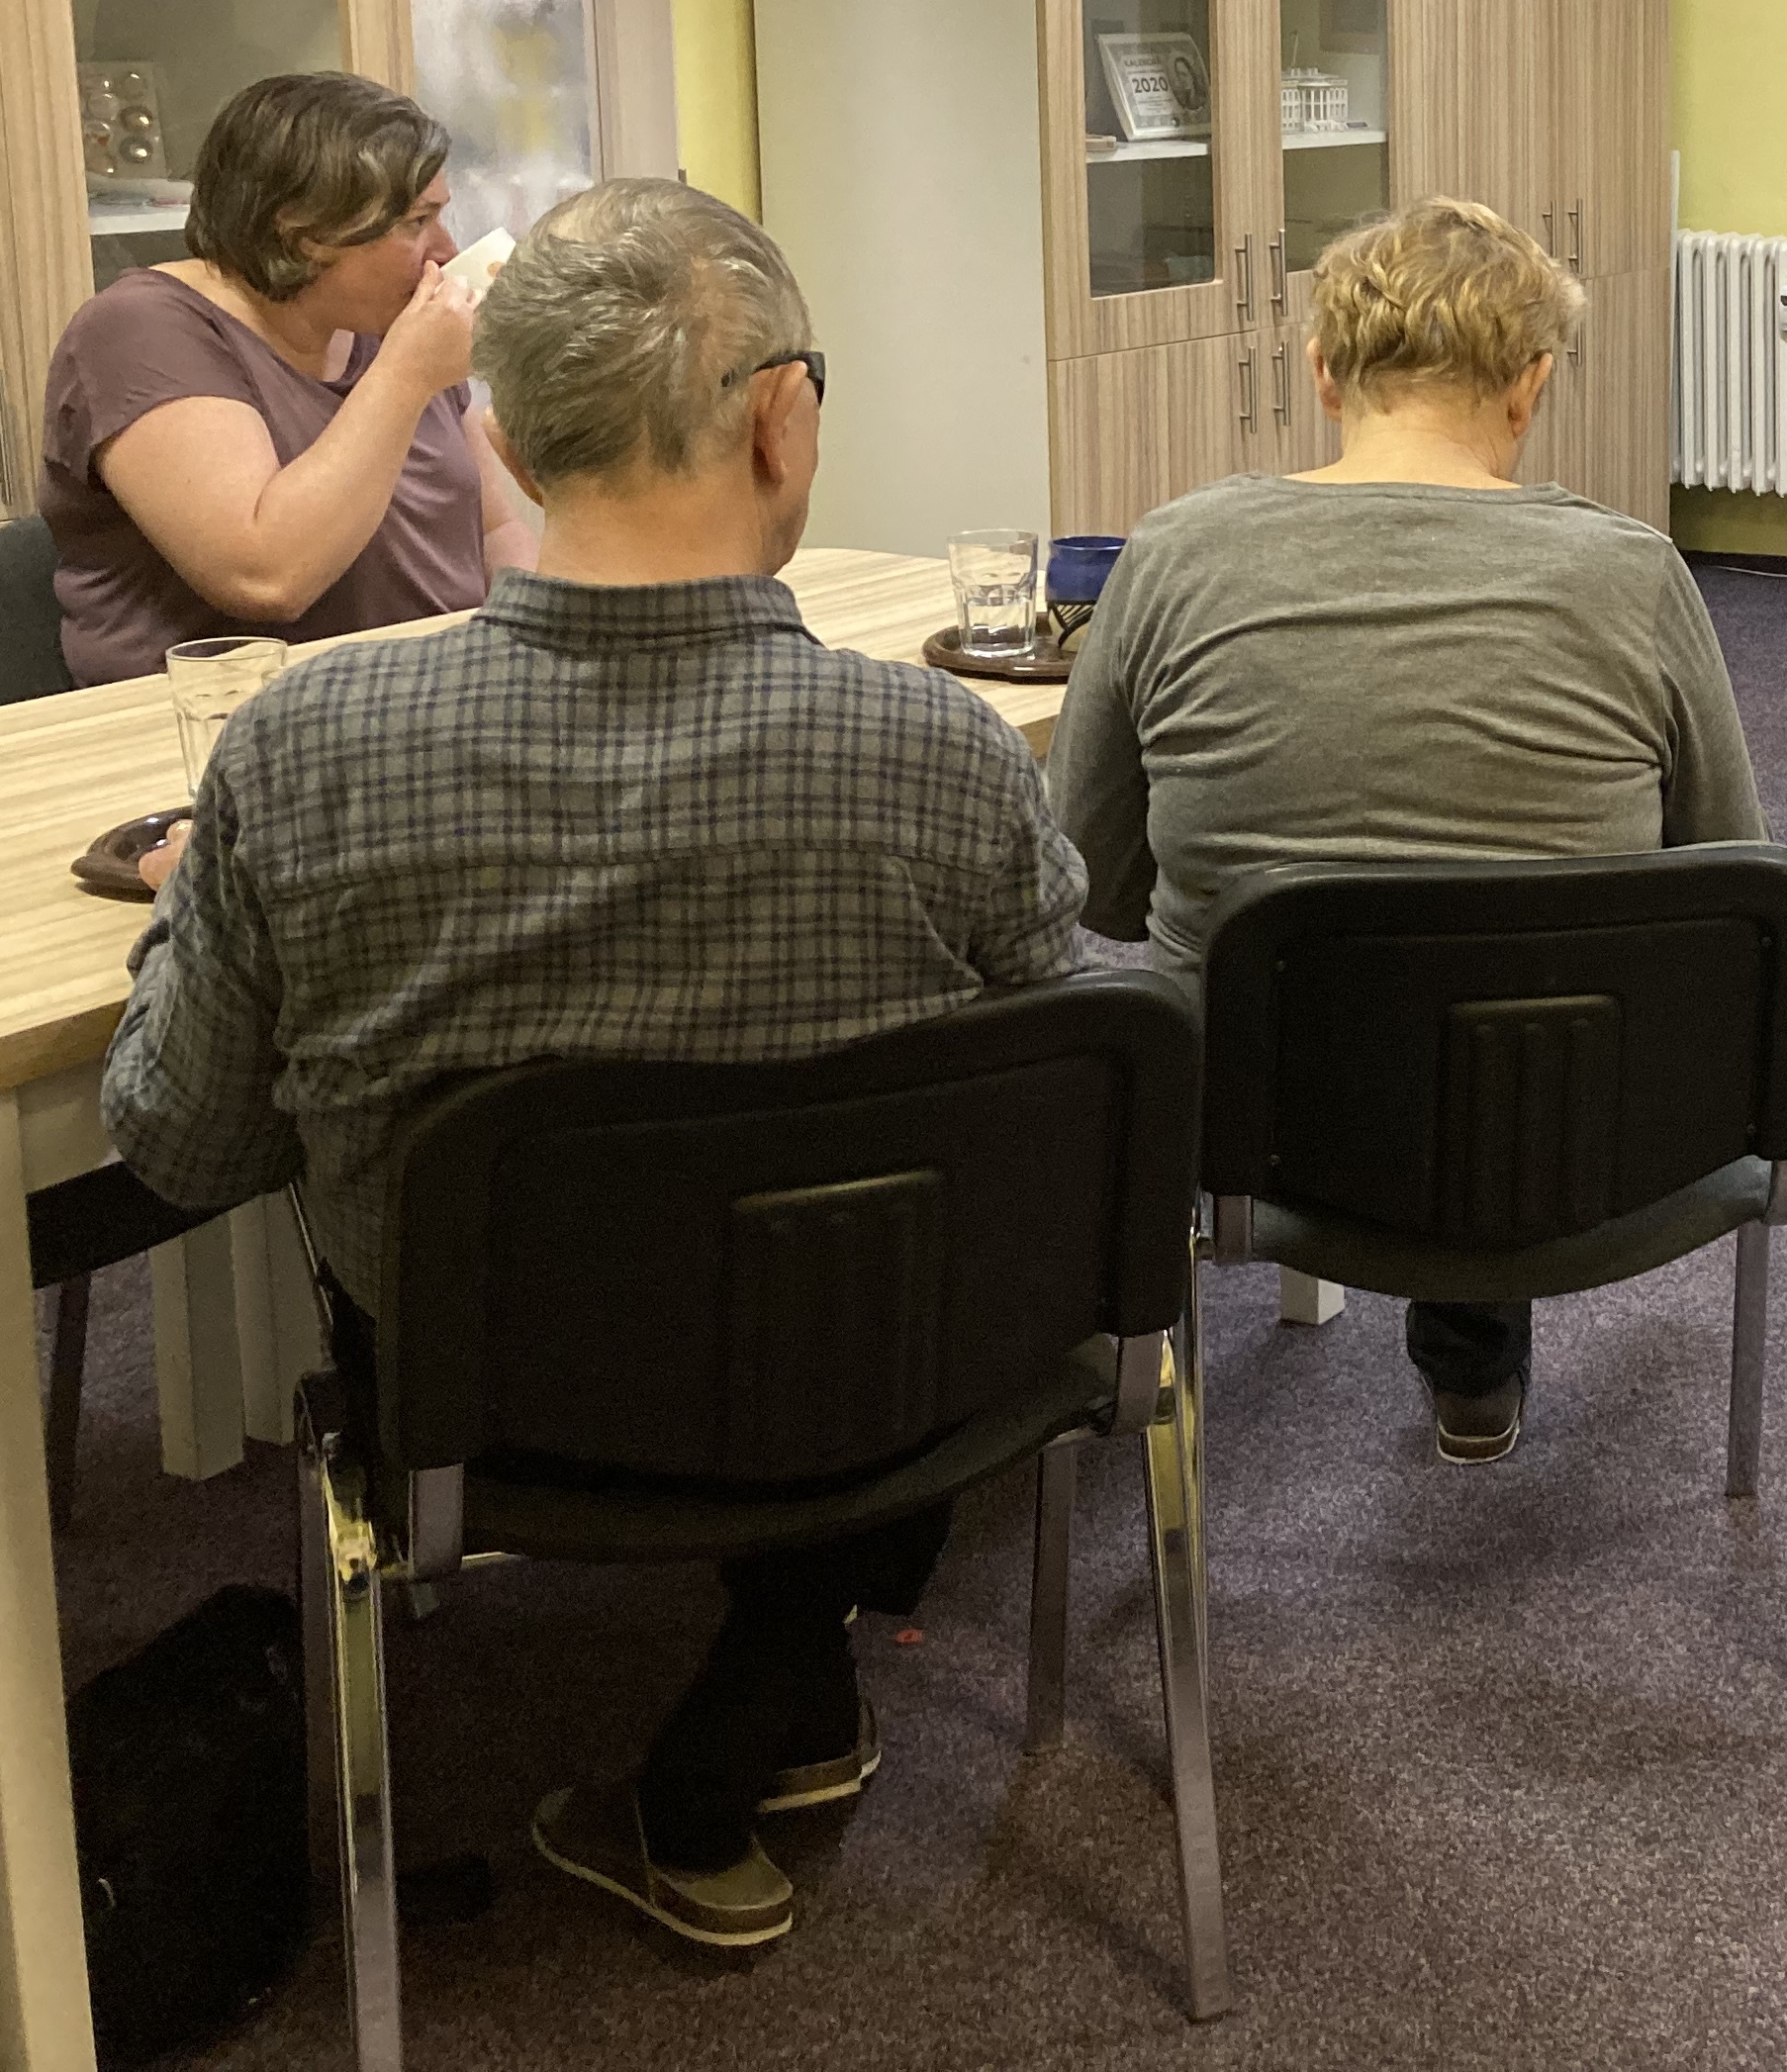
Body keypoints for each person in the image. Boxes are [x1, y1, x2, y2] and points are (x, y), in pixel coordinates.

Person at [98, 178, 1085, 1956]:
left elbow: (181, 1144)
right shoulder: (948, 753)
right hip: (891, 1376)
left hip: (486, 1418)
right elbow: (1072, 1078)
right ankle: (781, 1666)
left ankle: (767, 1690)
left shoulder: (297, 755)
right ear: (783, 416)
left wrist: (192, 917)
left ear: (499, 431)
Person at [1051, 195, 1764, 1466]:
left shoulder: (1169, 557)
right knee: (1506, 959)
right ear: (1531, 385)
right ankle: (1474, 1363)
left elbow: (1094, 883)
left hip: (1247, 1128)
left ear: (1323, 371)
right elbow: (1725, 890)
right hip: (1570, 1127)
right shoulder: (1636, 575)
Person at [39, 69, 534, 688]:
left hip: (427, 698)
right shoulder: (141, 329)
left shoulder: (383, 317)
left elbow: (495, 532)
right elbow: (267, 578)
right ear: (301, 231)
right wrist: (407, 374)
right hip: (226, 723)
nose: (444, 249)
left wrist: (533, 649)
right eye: (415, 222)